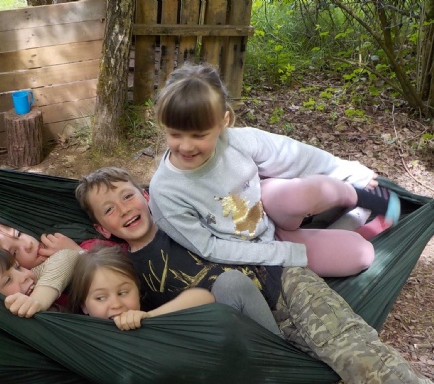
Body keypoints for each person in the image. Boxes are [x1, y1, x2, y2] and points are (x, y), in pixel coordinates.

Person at [75, 166, 434, 384]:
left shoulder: (179, 210)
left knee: (357, 353)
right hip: (260, 335)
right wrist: (73, 259)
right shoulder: (130, 273)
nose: (123, 209)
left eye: (127, 196)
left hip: (284, 279)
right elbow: (102, 303)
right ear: (103, 229)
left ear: (146, 195)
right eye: (109, 209)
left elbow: (231, 185)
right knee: (351, 354)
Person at [148, 62, 401, 277]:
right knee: (362, 255)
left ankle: (357, 195)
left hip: (270, 207)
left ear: (223, 122)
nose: (186, 146)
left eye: (199, 135)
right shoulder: (166, 190)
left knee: (303, 194)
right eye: (175, 134)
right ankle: (353, 222)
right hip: (252, 252)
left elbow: (294, 156)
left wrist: (350, 171)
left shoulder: (237, 141)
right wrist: (282, 254)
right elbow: (208, 248)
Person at [69, 244, 281, 335]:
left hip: (237, 342)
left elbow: (204, 296)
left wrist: (148, 316)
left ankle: (281, 348)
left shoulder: (149, 316)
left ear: (138, 292)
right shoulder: (83, 340)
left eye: (123, 292)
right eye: (100, 298)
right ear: (83, 306)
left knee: (231, 282)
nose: (115, 304)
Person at [0, 220, 90, 317]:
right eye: (14, 252)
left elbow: (65, 257)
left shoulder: (63, 238)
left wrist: (36, 301)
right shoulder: (28, 283)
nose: (28, 245)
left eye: (19, 234)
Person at [0, 247, 67, 316]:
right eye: (8, 280)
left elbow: (66, 255)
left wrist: (38, 301)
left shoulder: (41, 281)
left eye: (18, 267)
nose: (24, 276)